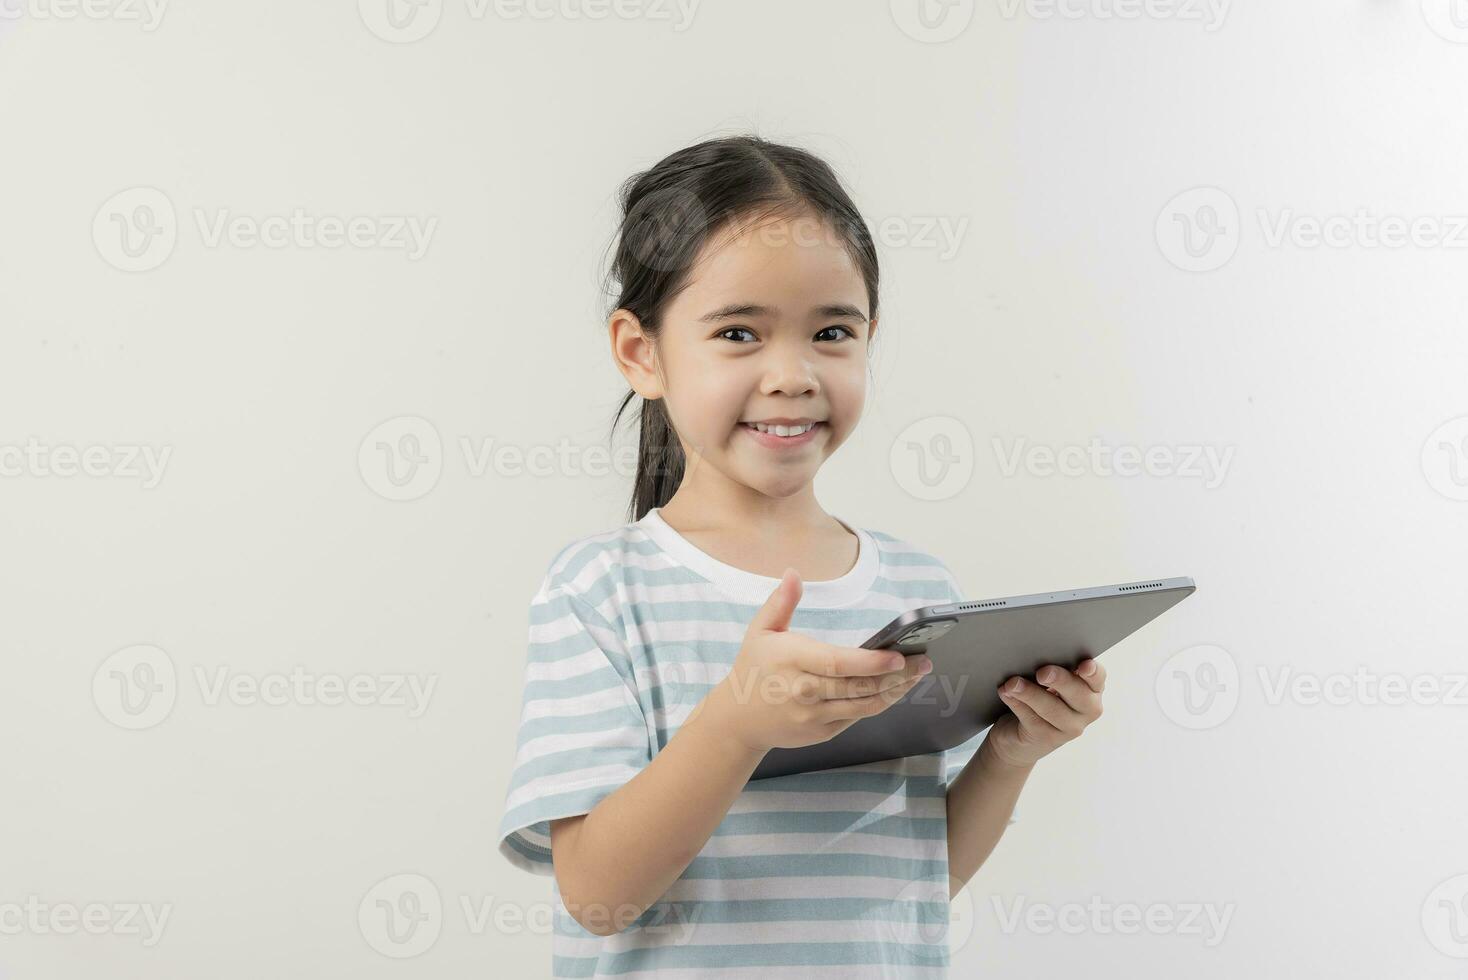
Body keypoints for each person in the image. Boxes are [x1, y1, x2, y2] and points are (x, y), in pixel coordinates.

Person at [496, 134, 1106, 977]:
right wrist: (736, 724)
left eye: (831, 332)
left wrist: (1011, 752)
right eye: (739, 332)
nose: (792, 374)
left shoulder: (919, 589)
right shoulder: (603, 591)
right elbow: (598, 895)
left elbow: (917, 886)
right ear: (642, 353)